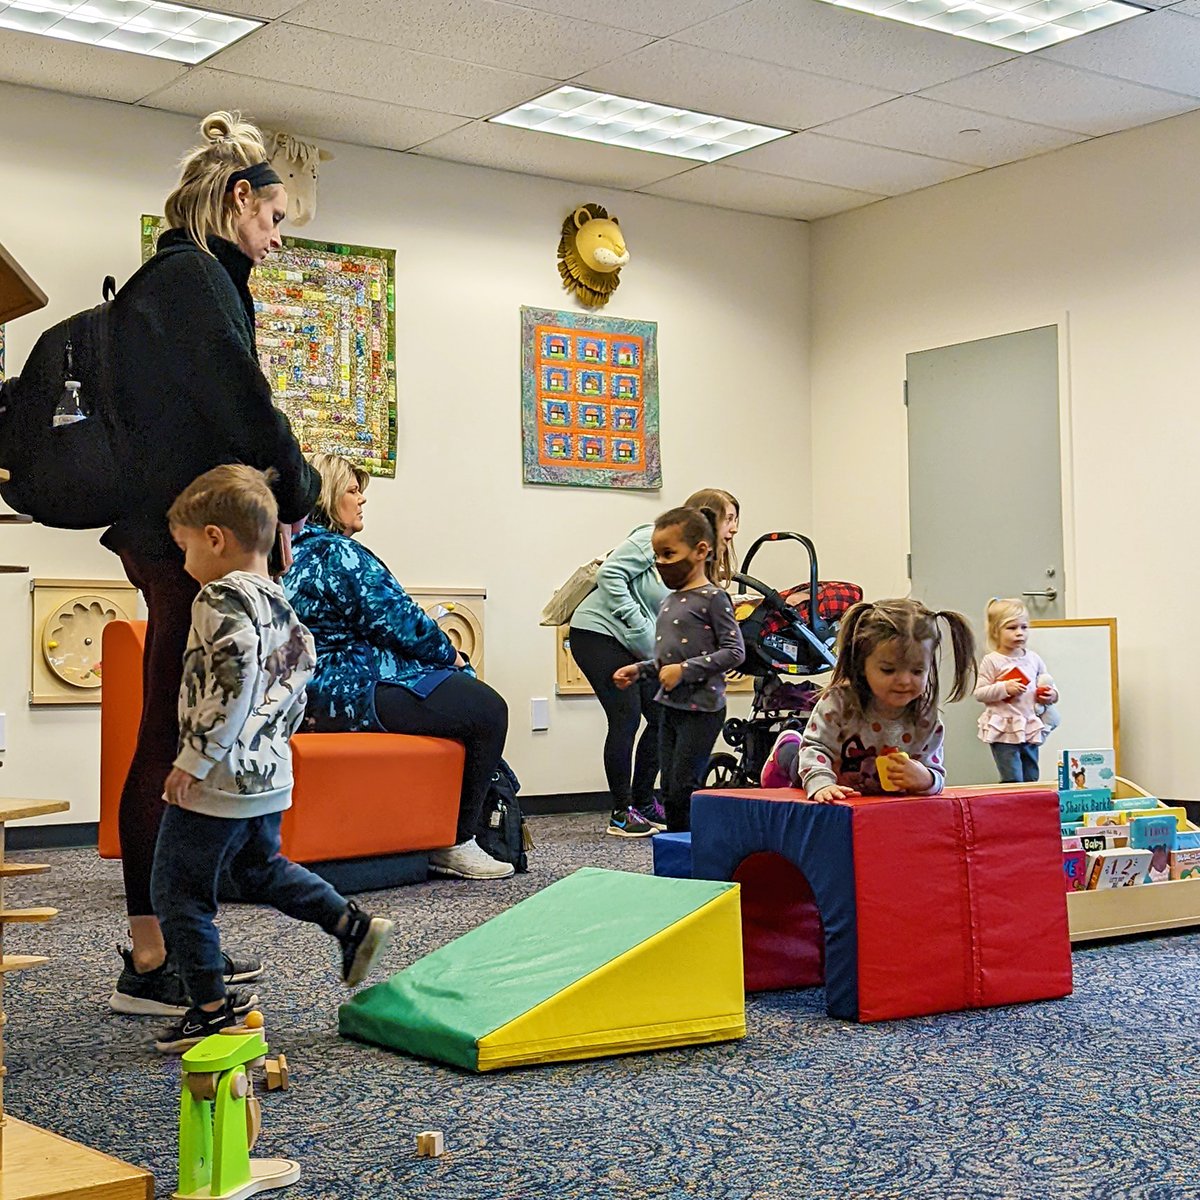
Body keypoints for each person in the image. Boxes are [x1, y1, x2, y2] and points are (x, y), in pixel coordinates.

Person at [104, 111, 319, 1016]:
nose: (275, 240)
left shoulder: (188, 281)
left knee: (176, 724)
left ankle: (174, 942)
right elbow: (247, 407)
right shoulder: (192, 279)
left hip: (185, 538)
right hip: (182, 545)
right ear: (238, 200)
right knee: (168, 732)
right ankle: (152, 957)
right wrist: (300, 487)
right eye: (273, 219)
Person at [151, 465, 393, 1053]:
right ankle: (349, 923)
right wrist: (268, 743)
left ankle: (211, 1010)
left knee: (177, 893)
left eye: (185, 547)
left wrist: (196, 757)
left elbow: (232, 677)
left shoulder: (219, 597)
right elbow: (298, 674)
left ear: (215, 539)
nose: (184, 563)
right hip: (266, 774)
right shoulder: (280, 601)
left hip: (219, 777)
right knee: (260, 869)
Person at [285, 453, 513, 880]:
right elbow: (399, 621)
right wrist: (451, 655)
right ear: (327, 497)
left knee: (456, 698)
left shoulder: (288, 553)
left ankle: (430, 827)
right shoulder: (338, 553)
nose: (362, 500)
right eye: (353, 490)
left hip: (309, 694)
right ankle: (456, 840)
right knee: (487, 710)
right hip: (351, 689)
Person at [570, 488, 740, 837]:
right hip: (599, 632)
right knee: (626, 716)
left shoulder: (698, 574)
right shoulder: (654, 536)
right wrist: (640, 627)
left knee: (660, 716)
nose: (734, 528)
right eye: (730, 518)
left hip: (637, 645)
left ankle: (644, 803)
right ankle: (621, 813)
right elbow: (610, 575)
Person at [760, 599, 976, 801]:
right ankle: (786, 748)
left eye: (917, 671)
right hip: (829, 770)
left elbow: (935, 772)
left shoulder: (924, 715)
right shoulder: (840, 702)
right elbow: (816, 748)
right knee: (798, 766)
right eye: (888, 670)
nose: (904, 681)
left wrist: (926, 779)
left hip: (875, 792)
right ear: (862, 666)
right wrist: (822, 784)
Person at [613, 506, 745, 833]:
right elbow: (667, 660)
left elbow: (734, 652)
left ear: (700, 551)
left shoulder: (714, 598)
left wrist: (684, 671)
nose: (661, 563)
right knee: (670, 789)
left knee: (684, 787)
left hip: (702, 710)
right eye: (657, 555)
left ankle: (693, 849)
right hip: (671, 706)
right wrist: (640, 670)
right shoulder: (670, 600)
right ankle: (676, 847)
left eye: (669, 554)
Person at [975, 598, 1059, 783]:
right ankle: (1013, 800)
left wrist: (1052, 695)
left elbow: (1047, 681)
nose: (1019, 633)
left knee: (1031, 774)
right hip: (1004, 729)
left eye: (1024, 627)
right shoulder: (992, 661)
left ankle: (1030, 800)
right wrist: (1005, 688)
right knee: (1012, 777)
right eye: (1011, 628)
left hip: (1029, 726)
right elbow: (980, 693)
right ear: (995, 631)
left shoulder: (1033, 659)